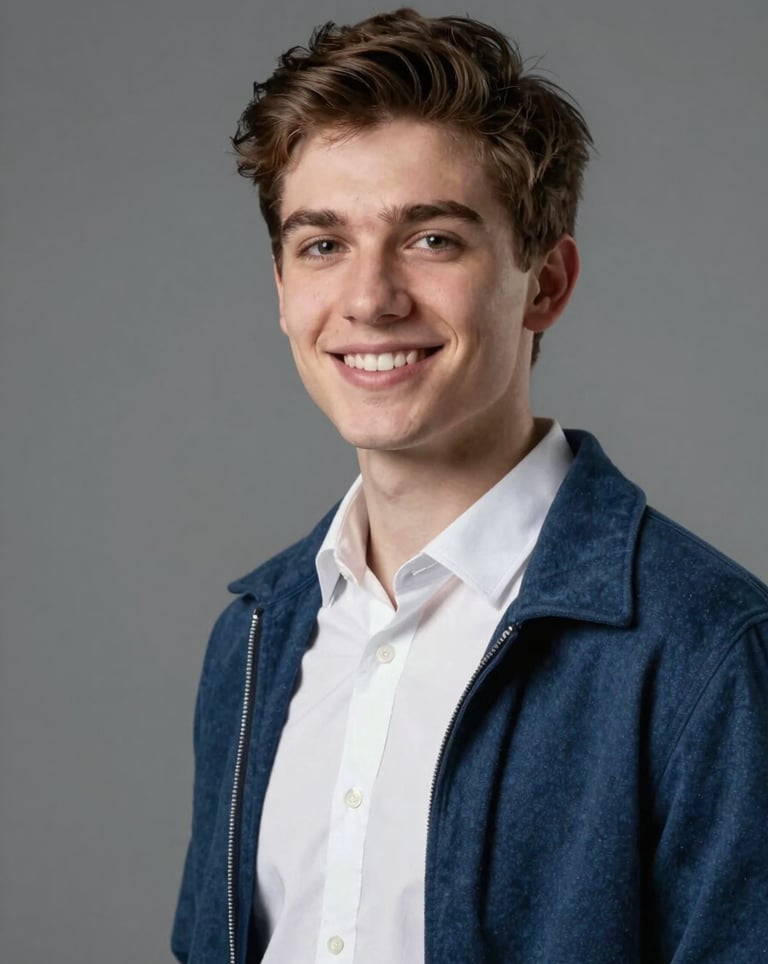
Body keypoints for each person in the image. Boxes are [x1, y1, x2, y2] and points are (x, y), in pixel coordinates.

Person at [171, 9, 768, 963]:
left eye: (433, 239)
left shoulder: (705, 651)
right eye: (322, 245)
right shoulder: (254, 638)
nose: (370, 298)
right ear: (282, 287)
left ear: (546, 284)